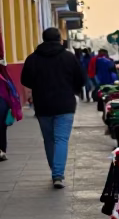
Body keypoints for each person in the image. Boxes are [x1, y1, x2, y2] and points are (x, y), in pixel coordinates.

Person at [20, 27, 84, 188]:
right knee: (61, 139)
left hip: (43, 105)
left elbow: (25, 80)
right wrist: (71, 89)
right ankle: (58, 175)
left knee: (49, 139)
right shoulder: (69, 57)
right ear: (60, 40)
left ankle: (55, 172)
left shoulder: (33, 58)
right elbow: (81, 79)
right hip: (65, 104)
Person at [0, 57, 23, 161]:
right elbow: (10, 93)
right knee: (1, 128)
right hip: (3, 104)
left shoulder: (4, 76)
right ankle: (2, 150)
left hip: (2, 104)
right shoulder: (4, 75)